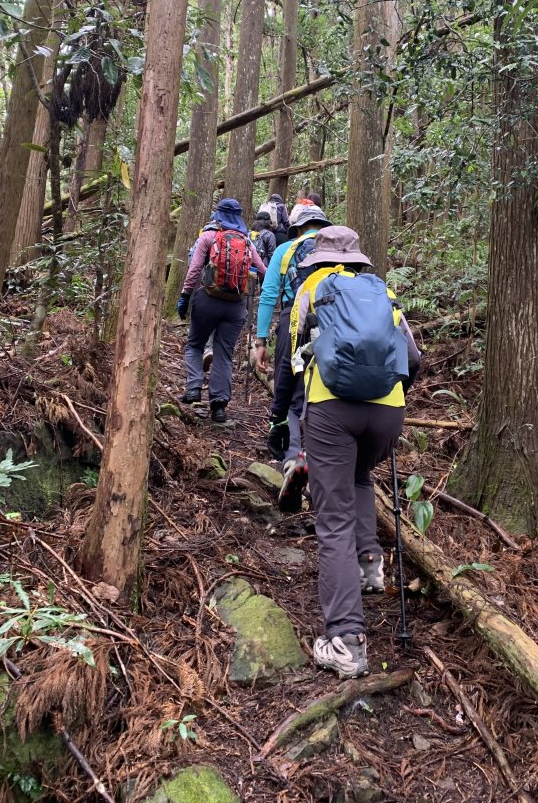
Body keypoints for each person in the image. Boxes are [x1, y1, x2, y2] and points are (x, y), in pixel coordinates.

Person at [286, 226, 420, 679]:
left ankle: (345, 638)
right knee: (361, 476)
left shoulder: (310, 289)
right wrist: (390, 396)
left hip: (331, 412)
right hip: (387, 414)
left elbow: (295, 363)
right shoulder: (383, 290)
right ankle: (369, 566)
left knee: (333, 518)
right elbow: (414, 358)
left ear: (317, 258)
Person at [253, 204, 332, 467]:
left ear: (296, 229)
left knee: (291, 375)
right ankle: (320, 452)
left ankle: (290, 449)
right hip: (332, 323)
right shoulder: (339, 251)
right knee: (319, 382)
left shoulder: (285, 250)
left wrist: (261, 340)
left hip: (293, 320)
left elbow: (268, 296)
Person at [177, 198, 266, 423]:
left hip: (207, 299)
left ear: (217, 214)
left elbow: (195, 268)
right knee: (224, 353)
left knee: (195, 344)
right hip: (236, 306)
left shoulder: (208, 236)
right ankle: (219, 406)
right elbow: (263, 270)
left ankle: (194, 388)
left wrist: (185, 296)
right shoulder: (246, 241)